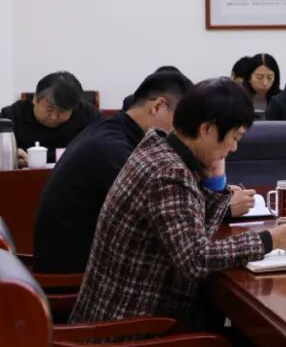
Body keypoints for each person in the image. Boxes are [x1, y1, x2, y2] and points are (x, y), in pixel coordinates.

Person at [69, 78, 286, 328]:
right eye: (235, 137)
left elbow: (192, 226)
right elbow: (195, 259)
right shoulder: (169, 174)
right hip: (130, 328)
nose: (234, 147)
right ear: (207, 129)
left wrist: (215, 183)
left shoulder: (160, 149)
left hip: (127, 315)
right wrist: (271, 240)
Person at [34, 69, 196, 273]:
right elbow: (163, 212)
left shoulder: (112, 130)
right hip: (72, 270)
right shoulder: (112, 148)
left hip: (75, 257)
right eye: (181, 121)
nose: (181, 131)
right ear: (157, 106)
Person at [1, 71, 101, 166]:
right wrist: (9, 155)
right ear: (35, 99)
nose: (54, 117)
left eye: (62, 111)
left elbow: (103, 147)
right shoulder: (10, 117)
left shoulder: (88, 116)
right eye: (49, 109)